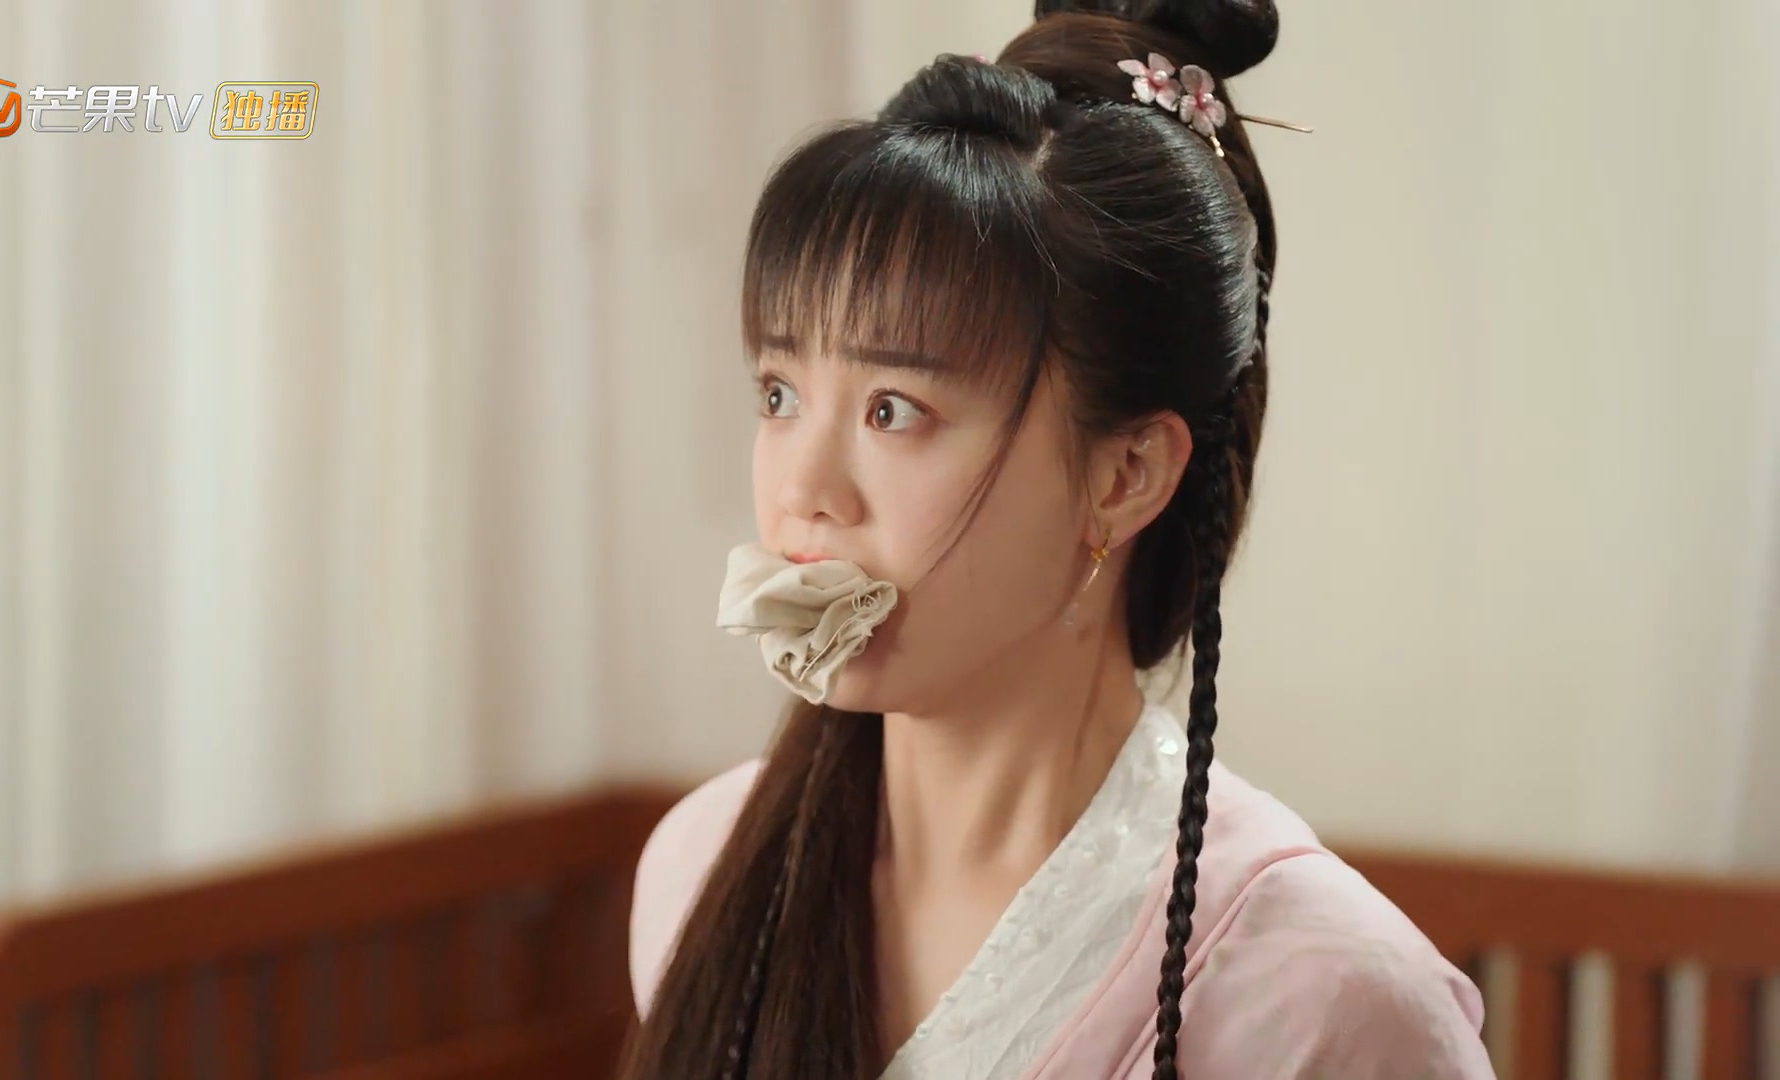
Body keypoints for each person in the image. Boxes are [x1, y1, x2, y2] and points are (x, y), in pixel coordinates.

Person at [619, 2, 1497, 1077]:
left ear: (1124, 477)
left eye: (895, 410)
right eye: (779, 392)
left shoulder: (1332, 1002)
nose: (803, 489)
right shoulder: (698, 870)